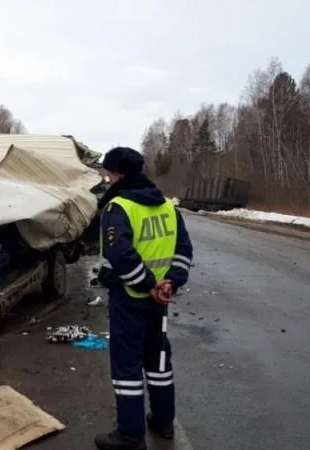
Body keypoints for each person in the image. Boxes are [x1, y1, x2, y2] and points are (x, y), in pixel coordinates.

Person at [94, 147, 193, 450]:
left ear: (118, 175)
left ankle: (130, 436)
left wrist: (149, 285)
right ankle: (163, 422)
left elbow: (121, 256)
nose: (107, 179)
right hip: (159, 301)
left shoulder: (119, 208)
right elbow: (183, 251)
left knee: (127, 367)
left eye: (108, 174)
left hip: (129, 299)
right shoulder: (168, 207)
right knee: (159, 360)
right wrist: (170, 283)